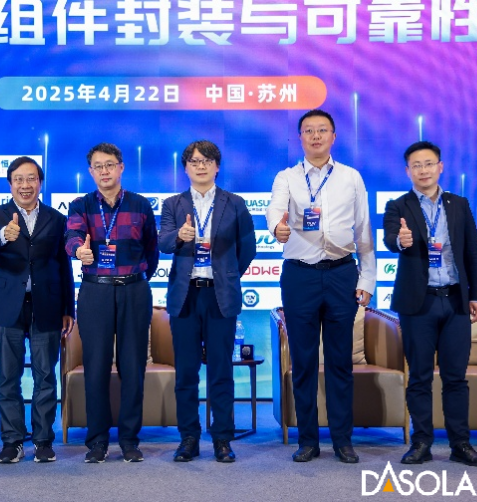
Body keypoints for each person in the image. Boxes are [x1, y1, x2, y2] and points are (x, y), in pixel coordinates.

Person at [265, 109, 376, 463]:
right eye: (309, 131)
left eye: (322, 130)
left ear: (333, 137)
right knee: (303, 361)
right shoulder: (287, 177)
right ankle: (308, 440)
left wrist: (367, 278)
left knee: (341, 361)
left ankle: (343, 440)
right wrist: (278, 228)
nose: (315, 136)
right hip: (300, 276)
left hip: (342, 273)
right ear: (300, 138)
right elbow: (274, 210)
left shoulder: (350, 177)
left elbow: (364, 230)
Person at [383, 141, 477, 467]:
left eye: (429, 164)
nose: (423, 170)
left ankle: (461, 444)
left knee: (456, 378)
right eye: (416, 165)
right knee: (420, 377)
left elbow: (472, 251)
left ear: (440, 167)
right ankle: (421, 443)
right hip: (419, 304)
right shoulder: (398, 205)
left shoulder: (459, 204)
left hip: (455, 301)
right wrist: (400, 241)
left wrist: (476, 294)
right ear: (408, 171)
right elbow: (389, 239)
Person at [159, 140, 256, 463]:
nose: (200, 166)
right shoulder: (173, 204)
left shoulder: (235, 203)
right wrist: (179, 237)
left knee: (221, 371)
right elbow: (163, 243)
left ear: (217, 167)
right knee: (186, 373)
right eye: (194, 161)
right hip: (185, 296)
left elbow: (248, 248)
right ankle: (188, 438)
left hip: (220, 295)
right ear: (185, 168)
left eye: (207, 161)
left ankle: (222, 439)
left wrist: (226, 274)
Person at [65, 143, 159, 463]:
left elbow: (152, 249)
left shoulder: (140, 204)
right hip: (96, 291)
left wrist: (136, 277)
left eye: (109, 165)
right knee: (96, 368)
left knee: (133, 367)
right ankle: (98, 441)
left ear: (121, 167)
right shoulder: (80, 205)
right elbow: (72, 236)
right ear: (90, 172)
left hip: (134, 290)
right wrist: (79, 251)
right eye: (97, 166)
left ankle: (130, 439)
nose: (104, 171)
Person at [0, 157, 75, 464]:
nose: (25, 185)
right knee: (8, 376)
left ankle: (43, 440)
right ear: (10, 184)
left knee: (45, 375)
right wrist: (2, 235)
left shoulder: (56, 219)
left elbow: (63, 265)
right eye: (19, 179)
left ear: (40, 183)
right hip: (7, 305)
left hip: (46, 304)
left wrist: (68, 308)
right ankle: (12, 441)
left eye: (31, 178)